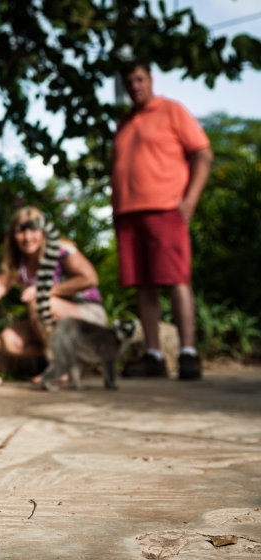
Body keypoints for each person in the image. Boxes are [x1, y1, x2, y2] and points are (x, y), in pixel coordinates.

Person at [111, 58, 213, 379]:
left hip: (166, 209)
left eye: (140, 79)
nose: (135, 86)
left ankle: (188, 353)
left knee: (176, 279)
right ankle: (153, 355)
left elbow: (203, 153)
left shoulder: (172, 110)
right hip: (128, 213)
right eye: (129, 82)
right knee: (143, 284)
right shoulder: (125, 122)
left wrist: (190, 201)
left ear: (150, 79)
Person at [0, 206, 107, 371]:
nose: (27, 237)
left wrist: (45, 290)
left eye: (33, 229)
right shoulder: (17, 263)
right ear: (13, 235)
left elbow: (91, 278)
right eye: (21, 231)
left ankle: (61, 367)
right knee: (10, 340)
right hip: (56, 323)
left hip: (87, 315)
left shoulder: (60, 250)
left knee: (38, 302)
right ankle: (77, 360)